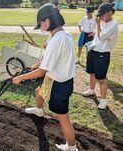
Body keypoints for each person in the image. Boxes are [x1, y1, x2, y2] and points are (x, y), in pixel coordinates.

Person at [13, 3, 78, 151]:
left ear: (47, 21)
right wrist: (31, 67)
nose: (41, 28)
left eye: (40, 24)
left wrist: (20, 78)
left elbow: (42, 71)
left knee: (63, 118)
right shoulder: (61, 34)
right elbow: (45, 62)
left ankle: (72, 147)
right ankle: (39, 109)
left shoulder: (56, 40)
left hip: (59, 85)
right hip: (55, 79)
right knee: (39, 92)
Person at [82, 3, 118, 109]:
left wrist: (97, 25)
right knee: (91, 73)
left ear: (109, 13)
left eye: (102, 15)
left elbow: (101, 37)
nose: (100, 17)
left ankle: (103, 100)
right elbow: (96, 35)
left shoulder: (113, 24)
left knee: (101, 79)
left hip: (103, 54)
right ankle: (92, 90)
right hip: (94, 50)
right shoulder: (103, 22)